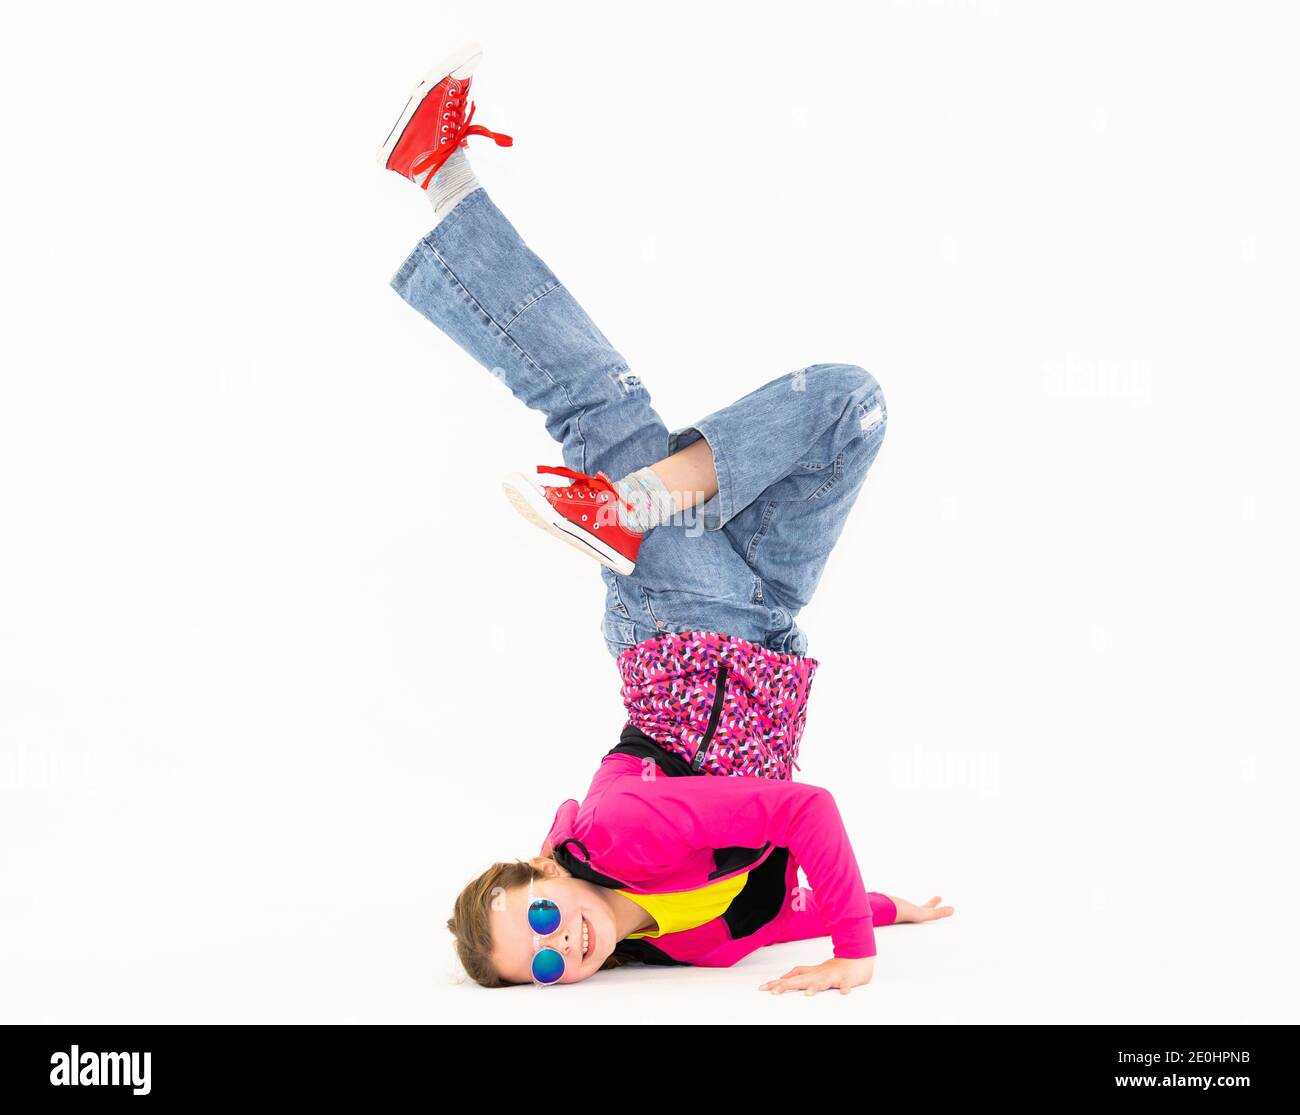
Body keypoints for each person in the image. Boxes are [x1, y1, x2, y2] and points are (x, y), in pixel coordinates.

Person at [379, 44, 954, 995]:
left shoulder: (619, 838)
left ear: (547, 868)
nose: (565, 944)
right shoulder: (682, 942)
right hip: (767, 615)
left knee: (595, 399)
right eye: (546, 965)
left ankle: (441, 175)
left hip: (692, 627)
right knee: (850, 410)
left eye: (540, 920)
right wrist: (889, 909)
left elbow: (807, 808)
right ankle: (631, 505)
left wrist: (857, 953)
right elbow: (785, 897)